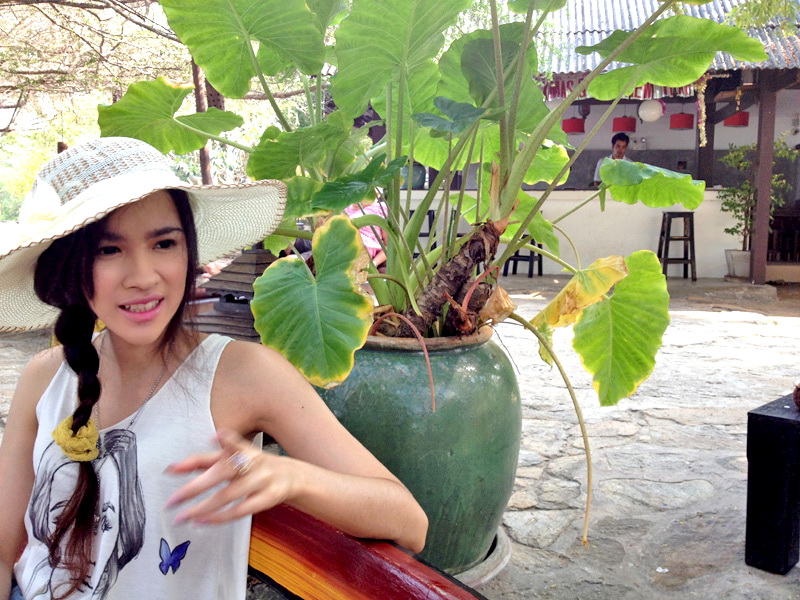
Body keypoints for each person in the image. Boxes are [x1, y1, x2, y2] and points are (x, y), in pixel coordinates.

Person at [0, 138, 427, 600]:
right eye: (108, 250)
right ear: (68, 267)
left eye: (164, 243)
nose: (143, 276)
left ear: (189, 252)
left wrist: (292, 478)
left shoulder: (243, 374)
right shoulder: (44, 379)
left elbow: (408, 522)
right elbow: (4, 552)